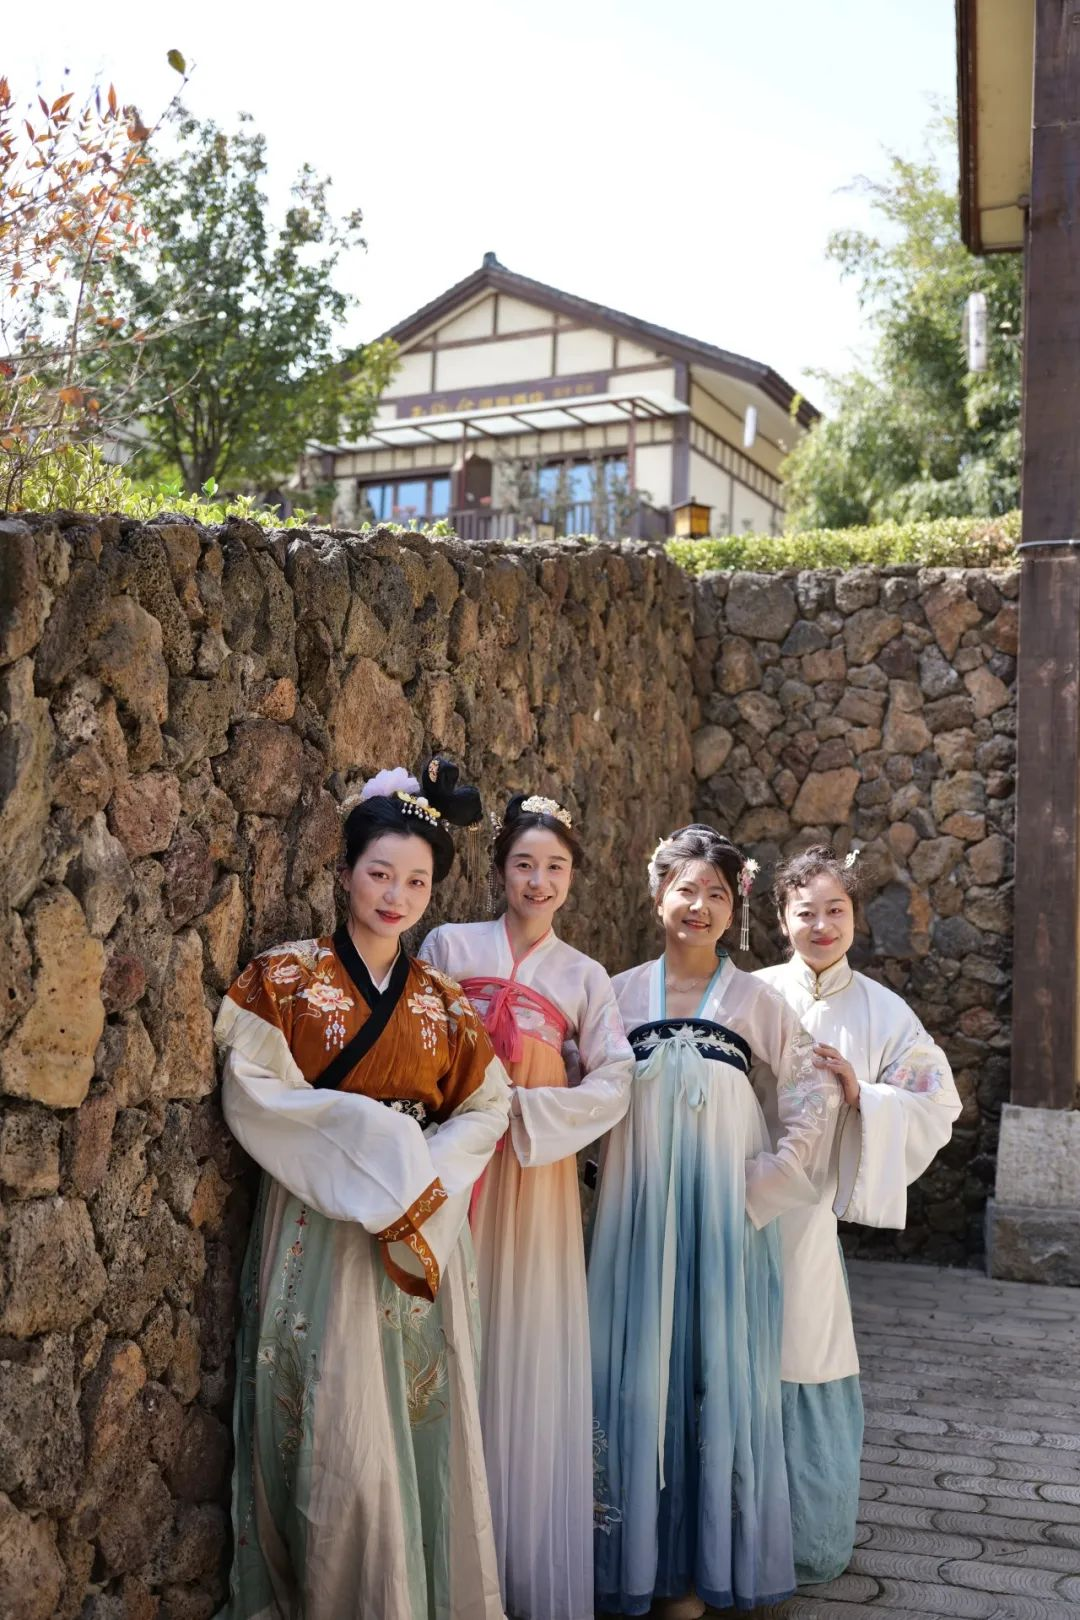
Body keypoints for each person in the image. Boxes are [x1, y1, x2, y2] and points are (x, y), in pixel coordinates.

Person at [214, 761, 512, 1620]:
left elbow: (488, 1108)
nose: (396, 895)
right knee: (330, 1416)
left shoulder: (445, 1003)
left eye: (417, 881)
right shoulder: (284, 979)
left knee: (412, 1422)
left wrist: (419, 1175)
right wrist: (372, 1143)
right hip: (318, 1221)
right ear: (344, 871)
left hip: (418, 1225)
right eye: (380, 873)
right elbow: (256, 1095)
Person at [588, 824, 847, 1620]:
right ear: (657, 896)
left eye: (717, 895)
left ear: (735, 909)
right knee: (633, 1378)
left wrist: (764, 1182)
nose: (698, 906)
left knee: (715, 1377)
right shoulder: (615, 994)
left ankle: (703, 1573)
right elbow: (581, 1089)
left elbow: (811, 1090)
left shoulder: (756, 1001)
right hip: (636, 1217)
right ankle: (635, 1561)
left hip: (723, 1224)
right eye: (686, 890)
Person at [420, 792, 634, 1620]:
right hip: (456, 1163)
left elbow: (616, 1079)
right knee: (446, 1330)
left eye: (554, 867)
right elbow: (418, 1038)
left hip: (534, 1179)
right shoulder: (449, 945)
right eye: (523, 864)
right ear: (499, 870)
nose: (538, 881)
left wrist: (531, 1111)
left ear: (572, 877)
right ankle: (441, 1555)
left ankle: (514, 1564)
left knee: (522, 1339)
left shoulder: (584, 977)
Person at [756, 843, 961, 1586]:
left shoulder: (882, 1011)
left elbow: (938, 1099)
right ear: (781, 918)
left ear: (854, 917)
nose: (821, 925)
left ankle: (801, 1536)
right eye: (805, 911)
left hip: (809, 1220)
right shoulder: (751, 994)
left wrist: (861, 1095)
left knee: (805, 1356)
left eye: (835, 910)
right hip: (737, 1199)